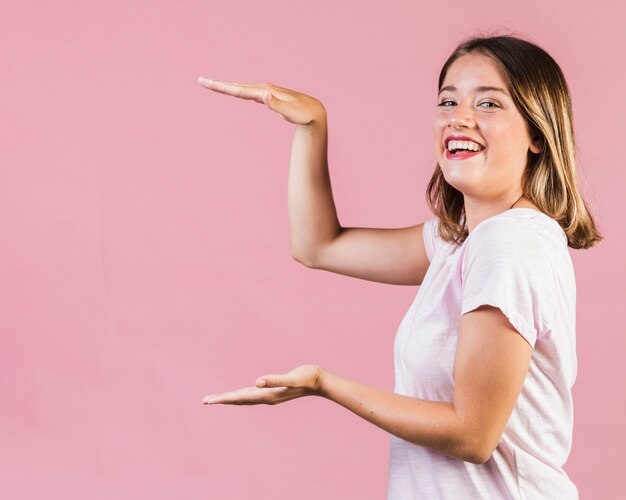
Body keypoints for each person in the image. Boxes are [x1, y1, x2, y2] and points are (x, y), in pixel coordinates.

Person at [198, 33, 602, 499]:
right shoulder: (463, 241)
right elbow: (318, 246)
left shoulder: (507, 244)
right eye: (447, 101)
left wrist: (323, 384)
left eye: (489, 104)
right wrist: (312, 125)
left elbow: (472, 434)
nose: (460, 118)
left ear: (537, 133)